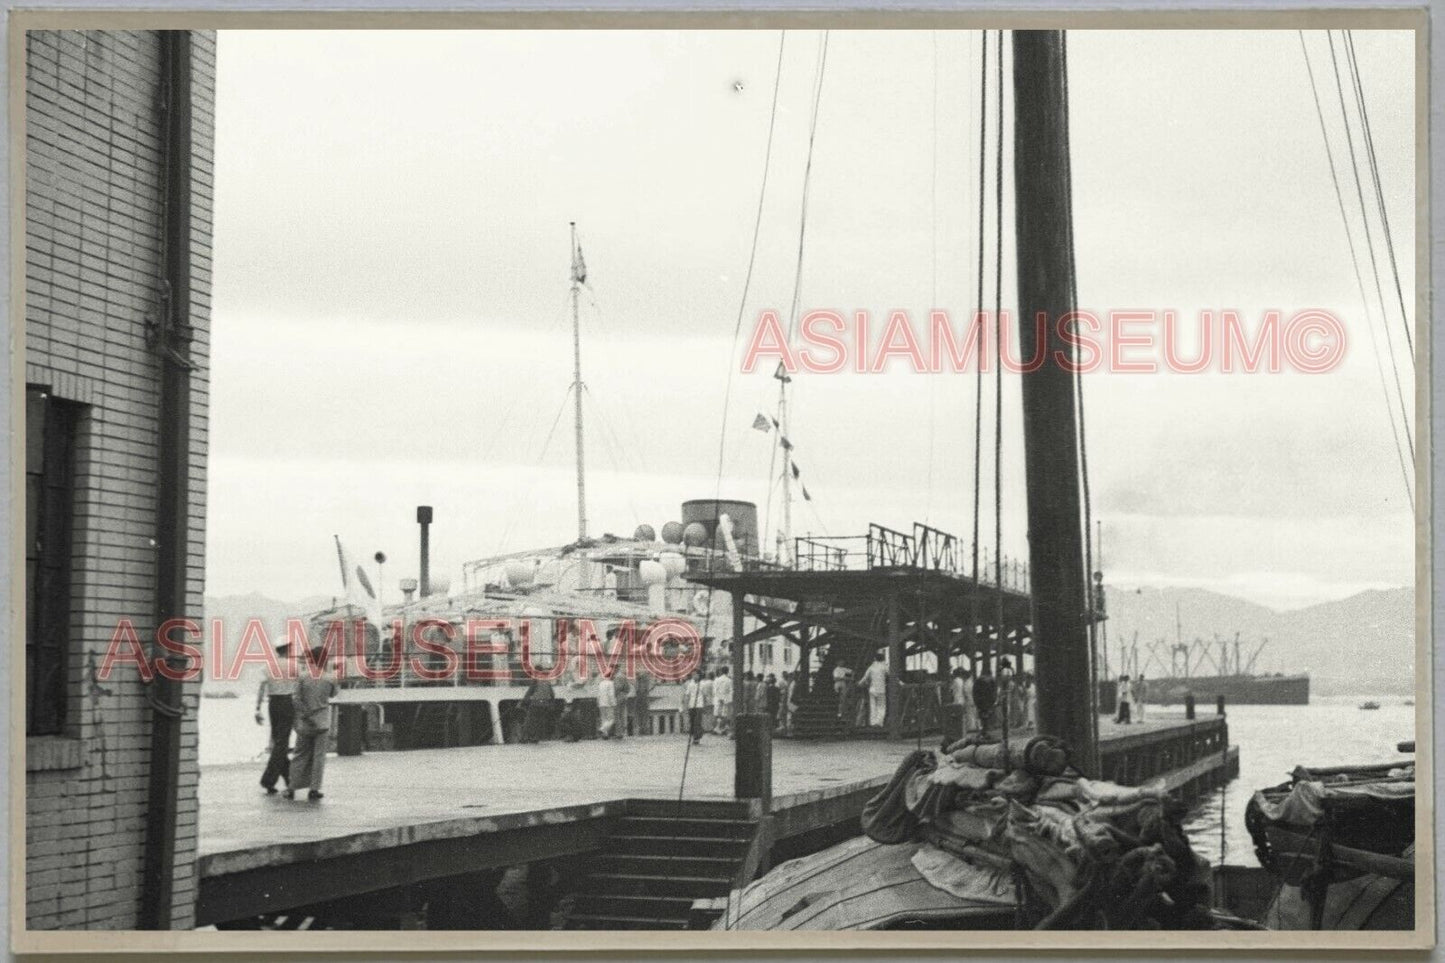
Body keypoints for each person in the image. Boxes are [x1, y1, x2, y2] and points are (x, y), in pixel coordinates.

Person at [286, 646, 337, 802]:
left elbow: (295, 698)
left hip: (305, 723)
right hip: (322, 722)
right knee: (319, 757)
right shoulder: (329, 678)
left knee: (299, 755)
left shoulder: (302, 677)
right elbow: (333, 694)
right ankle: (314, 789)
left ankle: (291, 788)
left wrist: (305, 714)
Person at [255, 641, 296, 795]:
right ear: (288, 649)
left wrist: (257, 709)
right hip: (287, 702)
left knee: (279, 741)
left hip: (273, 704)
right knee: (282, 742)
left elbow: (261, 688)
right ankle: (268, 780)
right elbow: (299, 686)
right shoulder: (294, 666)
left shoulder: (267, 666)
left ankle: (289, 778)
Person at [519, 676, 556, 743]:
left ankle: (525, 738)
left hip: (536, 704)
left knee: (529, 721)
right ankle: (536, 738)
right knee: (539, 722)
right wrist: (551, 704)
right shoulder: (547, 682)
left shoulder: (535, 681)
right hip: (545, 705)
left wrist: (522, 703)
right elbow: (552, 694)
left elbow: (529, 693)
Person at [862, 653, 889, 728]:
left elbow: (865, 677)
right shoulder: (884, 667)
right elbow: (892, 675)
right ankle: (879, 723)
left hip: (872, 689)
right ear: (883, 659)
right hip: (881, 689)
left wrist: (859, 683)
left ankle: (873, 723)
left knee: (873, 706)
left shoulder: (871, 667)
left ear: (875, 658)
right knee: (881, 706)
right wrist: (900, 682)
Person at [950, 666, 977, 737]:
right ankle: (969, 727)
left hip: (957, 699)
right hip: (963, 699)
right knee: (966, 714)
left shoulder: (956, 680)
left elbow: (952, 690)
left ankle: (961, 728)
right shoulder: (963, 681)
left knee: (959, 715)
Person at [972, 666, 997, 734]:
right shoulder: (992, 680)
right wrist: (993, 701)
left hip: (980, 701)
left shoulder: (977, 680)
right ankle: (987, 728)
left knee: (982, 715)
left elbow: (974, 692)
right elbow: (994, 692)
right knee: (988, 715)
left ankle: (984, 728)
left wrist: (976, 701)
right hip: (988, 701)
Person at [682, 672, 705, 744]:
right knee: (692, 721)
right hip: (691, 705)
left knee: (697, 721)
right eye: (693, 675)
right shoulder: (690, 685)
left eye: (696, 675)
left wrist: (705, 705)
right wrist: (685, 706)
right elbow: (687, 695)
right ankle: (696, 735)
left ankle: (696, 737)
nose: (695, 676)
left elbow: (704, 695)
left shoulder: (702, 684)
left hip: (699, 705)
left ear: (699, 676)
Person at [596, 671, 618, 738]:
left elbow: (598, 694)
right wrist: (613, 703)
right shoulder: (611, 683)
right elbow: (611, 694)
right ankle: (602, 729)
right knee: (611, 719)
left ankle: (605, 735)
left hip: (601, 703)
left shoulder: (601, 683)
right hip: (608, 703)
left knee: (603, 719)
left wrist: (598, 702)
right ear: (610, 676)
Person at [713, 666, 733, 735]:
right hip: (727, 698)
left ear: (721, 671)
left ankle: (718, 728)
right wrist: (729, 700)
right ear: (728, 671)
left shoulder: (717, 680)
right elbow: (731, 691)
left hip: (719, 698)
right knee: (726, 714)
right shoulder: (729, 680)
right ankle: (725, 727)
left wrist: (719, 698)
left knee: (719, 714)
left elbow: (715, 690)